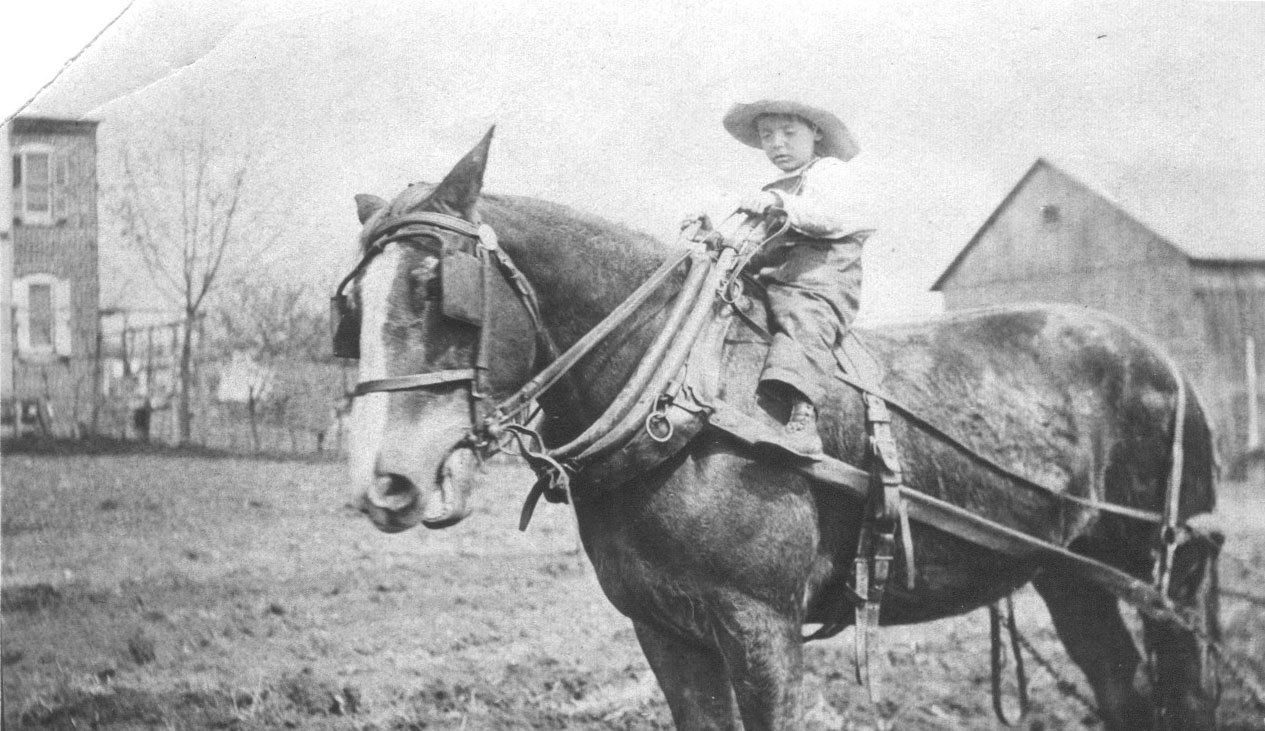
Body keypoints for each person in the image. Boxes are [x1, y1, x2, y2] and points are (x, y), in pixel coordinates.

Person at [686, 99, 873, 455]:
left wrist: (779, 202)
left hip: (820, 278)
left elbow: (829, 217)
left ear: (816, 133)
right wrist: (716, 238)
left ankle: (803, 418)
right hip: (777, 276)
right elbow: (753, 242)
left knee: (803, 320)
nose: (777, 143)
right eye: (767, 135)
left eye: (789, 133)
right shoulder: (777, 185)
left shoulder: (828, 172)